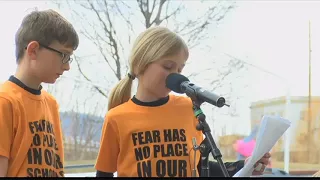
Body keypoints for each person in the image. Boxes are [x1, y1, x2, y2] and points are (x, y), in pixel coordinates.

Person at [95, 26, 270, 177]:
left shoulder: (189, 108)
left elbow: (201, 167)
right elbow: (104, 173)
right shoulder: (116, 117)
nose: (176, 75)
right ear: (141, 64)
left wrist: (244, 166)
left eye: (180, 68)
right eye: (168, 66)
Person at [0, 9, 79, 177]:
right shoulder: (4, 101)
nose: (67, 66)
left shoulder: (51, 104)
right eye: (64, 55)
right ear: (33, 50)